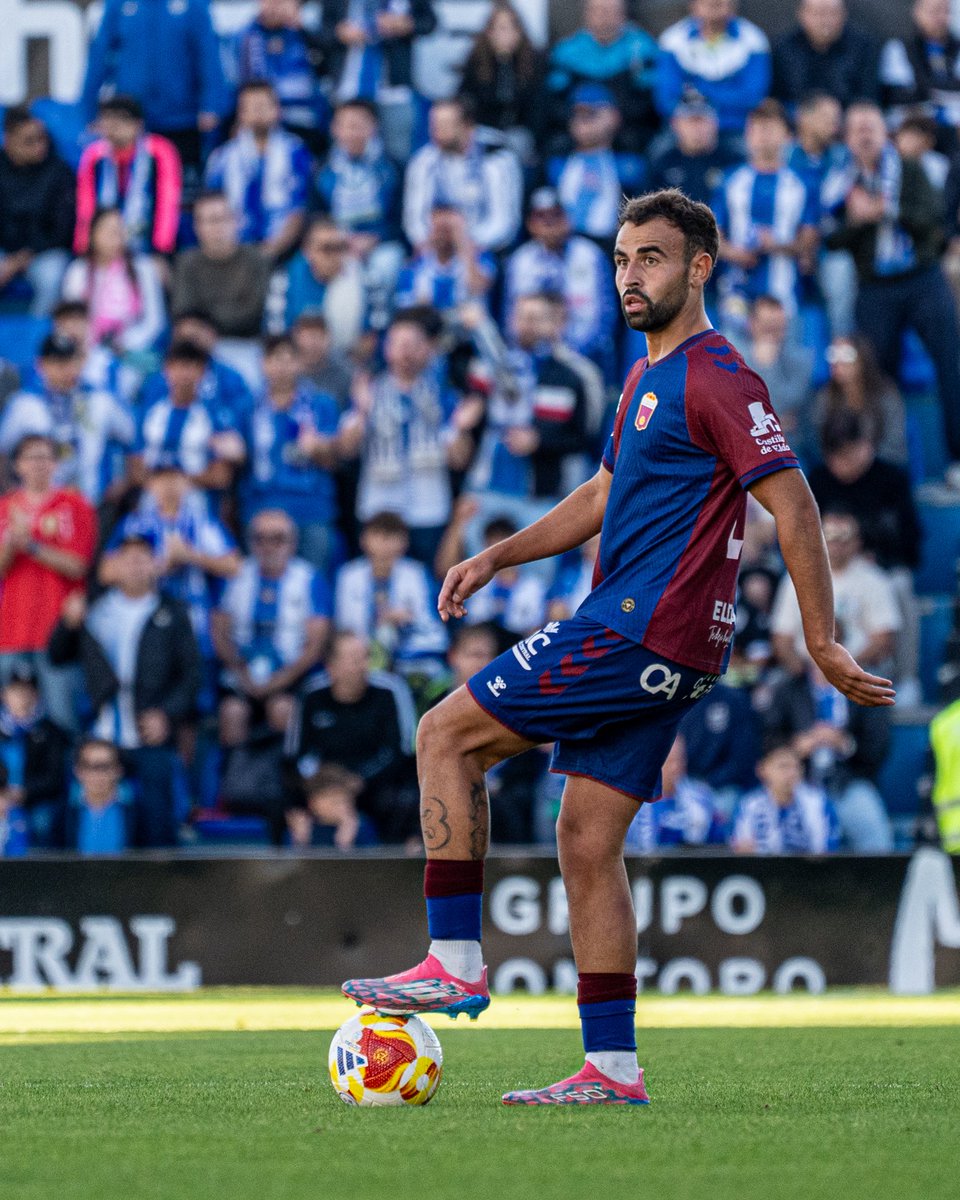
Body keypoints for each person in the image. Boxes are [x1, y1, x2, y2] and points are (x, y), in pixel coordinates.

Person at [341, 188, 893, 1105]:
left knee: (445, 736)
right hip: (665, 646)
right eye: (622, 259)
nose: (632, 276)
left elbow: (792, 502)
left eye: (652, 259)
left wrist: (822, 640)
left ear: (699, 267)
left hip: (637, 628)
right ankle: (612, 1065)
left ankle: (453, 959)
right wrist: (497, 555)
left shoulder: (718, 375)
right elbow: (604, 491)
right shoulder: (644, 378)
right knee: (587, 841)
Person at [822, 101, 960, 471]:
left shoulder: (910, 170)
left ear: (886, 134)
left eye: (872, 126)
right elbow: (832, 240)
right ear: (847, 138)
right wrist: (858, 220)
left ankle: (957, 460)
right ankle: (883, 459)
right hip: (876, 287)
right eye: (858, 128)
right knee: (874, 375)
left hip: (921, 279)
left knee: (953, 361)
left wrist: (889, 211)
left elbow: (933, 221)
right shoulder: (840, 182)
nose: (865, 134)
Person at [48, 531, 202, 847]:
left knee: (158, 819)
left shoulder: (172, 613)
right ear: (114, 565)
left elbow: (192, 675)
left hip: (148, 732)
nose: (134, 566)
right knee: (73, 813)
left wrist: (167, 715)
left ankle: (159, 888)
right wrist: (67, 623)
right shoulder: (96, 608)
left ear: (155, 565)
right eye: (127, 558)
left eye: (143, 558)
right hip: (103, 731)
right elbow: (57, 655)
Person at [342, 309, 477, 566]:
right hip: (378, 508)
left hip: (428, 509)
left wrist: (461, 429)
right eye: (398, 344)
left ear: (428, 348)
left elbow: (459, 460)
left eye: (413, 344)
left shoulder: (444, 395)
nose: (405, 352)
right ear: (386, 349)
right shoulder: (368, 390)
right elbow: (347, 450)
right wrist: (362, 412)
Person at [212, 507, 331, 756]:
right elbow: (219, 631)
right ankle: (235, 785)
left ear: (292, 543)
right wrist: (240, 672)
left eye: (277, 539)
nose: (269, 546)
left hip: (290, 675)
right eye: (261, 538)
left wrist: (280, 681)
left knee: (283, 710)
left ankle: (282, 784)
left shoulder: (309, 579)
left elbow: (315, 645)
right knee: (232, 712)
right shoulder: (235, 575)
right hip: (242, 672)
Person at [0, 433, 96, 732]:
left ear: (56, 464)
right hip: (10, 632)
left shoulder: (74, 505)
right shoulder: (5, 508)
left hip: (56, 632)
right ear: (17, 465)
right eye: (31, 457)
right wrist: (11, 544)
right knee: (7, 723)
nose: (39, 464)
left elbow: (78, 566)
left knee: (61, 722)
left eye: (46, 457)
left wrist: (32, 545)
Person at [284, 630, 417, 842]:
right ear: (331, 666)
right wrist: (319, 785)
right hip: (324, 782)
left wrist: (360, 780)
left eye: (366, 657)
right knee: (281, 799)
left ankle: (396, 864)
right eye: (354, 659)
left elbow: (402, 750)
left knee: (403, 799)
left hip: (375, 782)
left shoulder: (391, 690)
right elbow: (295, 753)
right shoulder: (311, 695)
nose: (363, 665)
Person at [80, 0, 229, 180]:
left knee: (179, 186)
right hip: (131, 121)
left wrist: (211, 105)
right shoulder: (118, 5)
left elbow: (208, 53)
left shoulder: (193, 4)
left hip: (181, 120)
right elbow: (99, 55)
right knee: (132, 187)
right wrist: (88, 110)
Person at [762, 658, 893, 851]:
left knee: (875, 833)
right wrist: (796, 747)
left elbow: (879, 747)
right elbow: (768, 738)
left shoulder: (863, 688)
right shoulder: (788, 688)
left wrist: (845, 744)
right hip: (798, 783)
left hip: (848, 783)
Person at [713, 99, 819, 332]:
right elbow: (714, 236)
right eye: (757, 128)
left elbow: (810, 241)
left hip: (784, 293)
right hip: (736, 291)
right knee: (735, 363)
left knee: (780, 365)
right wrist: (737, 253)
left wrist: (776, 245)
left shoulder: (802, 183)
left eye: (770, 128)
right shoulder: (730, 181)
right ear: (747, 135)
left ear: (787, 136)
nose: (763, 135)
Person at [239, 333, 342, 569]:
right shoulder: (249, 406)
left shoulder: (320, 404)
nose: (282, 367)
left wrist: (319, 447)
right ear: (262, 364)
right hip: (260, 507)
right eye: (274, 359)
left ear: (299, 363)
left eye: (288, 359)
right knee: (261, 583)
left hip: (311, 508)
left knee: (313, 580)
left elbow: (336, 460)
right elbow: (241, 459)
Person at [0, 335, 134, 505]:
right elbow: (3, 451)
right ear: (41, 365)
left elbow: (132, 439)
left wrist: (125, 482)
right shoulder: (24, 404)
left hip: (93, 503)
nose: (67, 369)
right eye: (58, 363)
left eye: (71, 361)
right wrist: (8, 491)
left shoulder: (100, 400)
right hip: (41, 507)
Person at [771, 509, 902, 681]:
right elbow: (782, 638)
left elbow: (884, 639)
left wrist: (843, 670)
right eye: (830, 536)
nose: (837, 544)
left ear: (857, 541)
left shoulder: (875, 579)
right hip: (806, 674)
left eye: (844, 537)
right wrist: (806, 671)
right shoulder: (796, 577)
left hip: (860, 673)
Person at [504, 188, 617, 380]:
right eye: (541, 217)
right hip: (530, 360)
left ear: (568, 218)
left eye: (556, 215)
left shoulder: (590, 256)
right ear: (530, 224)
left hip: (585, 357)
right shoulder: (520, 261)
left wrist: (569, 355)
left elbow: (605, 318)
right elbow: (509, 320)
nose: (549, 223)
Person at [171, 191, 272, 385]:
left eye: (222, 219)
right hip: (198, 347)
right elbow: (183, 312)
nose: (217, 227)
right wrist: (198, 329)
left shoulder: (258, 261)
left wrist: (206, 327)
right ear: (197, 227)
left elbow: (252, 313)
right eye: (209, 221)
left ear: (236, 221)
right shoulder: (187, 262)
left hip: (246, 346)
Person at [205, 81, 311, 262]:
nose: (258, 113)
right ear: (241, 114)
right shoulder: (222, 158)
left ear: (277, 110)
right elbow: (212, 209)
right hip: (233, 252)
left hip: (286, 250)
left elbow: (299, 209)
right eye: (251, 107)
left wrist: (271, 251)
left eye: (263, 106)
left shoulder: (295, 151)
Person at [402, 97, 523, 255]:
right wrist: (434, 244)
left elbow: (504, 223)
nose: (437, 133)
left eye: (445, 126)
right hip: (438, 248)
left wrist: (464, 244)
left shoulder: (496, 158)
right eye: (434, 125)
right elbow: (414, 219)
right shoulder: (424, 161)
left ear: (468, 126)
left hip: (486, 249)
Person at [320, 0, 437, 161]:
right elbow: (322, 30)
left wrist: (405, 23)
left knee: (398, 156)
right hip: (349, 90)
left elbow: (429, 22)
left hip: (393, 90)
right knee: (341, 157)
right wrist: (339, 33)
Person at [334, 510, 448, 675]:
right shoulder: (348, 575)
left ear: (405, 542)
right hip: (361, 654)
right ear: (363, 540)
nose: (385, 544)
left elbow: (432, 626)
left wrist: (407, 620)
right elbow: (343, 624)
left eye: (392, 537)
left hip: (410, 654)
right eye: (379, 536)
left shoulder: (417, 573)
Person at [74, 96, 182, 259]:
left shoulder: (160, 152)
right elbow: (86, 206)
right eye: (107, 119)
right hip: (102, 248)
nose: (112, 126)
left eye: (120, 119)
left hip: (147, 245)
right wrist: (83, 249)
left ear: (138, 124)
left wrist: (161, 252)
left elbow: (167, 204)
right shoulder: (94, 156)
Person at [546, 0, 659, 153]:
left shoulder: (641, 49)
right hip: (577, 130)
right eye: (598, 10)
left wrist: (611, 119)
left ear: (623, 15)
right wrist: (580, 120)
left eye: (610, 10)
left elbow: (648, 101)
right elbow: (553, 100)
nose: (604, 17)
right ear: (587, 14)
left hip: (626, 130)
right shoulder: (567, 52)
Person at [132, 340, 242, 495]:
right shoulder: (150, 411)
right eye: (178, 366)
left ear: (202, 372)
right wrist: (160, 486)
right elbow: (135, 464)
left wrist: (183, 482)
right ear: (166, 369)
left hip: (198, 505)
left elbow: (222, 476)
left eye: (191, 367)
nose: (184, 374)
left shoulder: (216, 417)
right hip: (152, 502)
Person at [61, 208, 167, 365]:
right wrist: (95, 344)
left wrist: (124, 343)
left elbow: (154, 321)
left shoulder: (143, 268)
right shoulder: (78, 270)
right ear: (92, 235)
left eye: (119, 232)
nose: (116, 239)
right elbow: (71, 319)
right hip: (88, 350)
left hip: (134, 350)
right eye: (109, 233)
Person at [545, 84, 647, 246]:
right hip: (563, 245)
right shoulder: (557, 164)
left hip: (611, 245)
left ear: (614, 116)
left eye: (592, 114)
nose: (583, 121)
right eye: (577, 114)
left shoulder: (629, 166)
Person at [656, 0, 771, 139]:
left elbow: (753, 97)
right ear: (692, 5)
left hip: (737, 129)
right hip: (685, 133)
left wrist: (699, 91)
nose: (714, 1)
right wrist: (696, 123)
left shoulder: (753, 40)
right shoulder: (672, 41)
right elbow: (666, 99)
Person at [0, 107, 75, 316]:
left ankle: (38, 341)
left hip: (44, 252)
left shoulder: (59, 172)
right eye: (29, 141)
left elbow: (62, 230)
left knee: (53, 277)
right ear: (8, 140)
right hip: (5, 251)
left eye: (42, 139)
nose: (39, 146)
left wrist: (21, 258)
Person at [234, 0, 329, 152]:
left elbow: (325, 69)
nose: (275, 6)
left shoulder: (304, 35)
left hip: (305, 123)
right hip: (262, 125)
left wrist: (302, 29)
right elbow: (238, 83)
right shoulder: (245, 37)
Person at [458, 3, 547, 162]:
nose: (505, 34)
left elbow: (538, 110)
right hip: (484, 132)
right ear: (489, 32)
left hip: (519, 135)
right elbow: (465, 100)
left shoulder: (534, 64)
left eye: (511, 28)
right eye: (500, 28)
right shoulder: (476, 63)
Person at [0, 666, 73, 846]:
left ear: (37, 694)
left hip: (34, 800)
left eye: (28, 690)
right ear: (4, 694)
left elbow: (53, 779)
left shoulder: (51, 731)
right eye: (17, 690)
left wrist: (24, 793)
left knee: (43, 822)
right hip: (2, 798)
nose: (23, 696)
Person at [812, 335, 908, 465]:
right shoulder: (825, 397)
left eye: (846, 354)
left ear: (862, 358)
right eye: (833, 354)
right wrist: (839, 461)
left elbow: (895, 442)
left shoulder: (885, 393)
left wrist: (865, 458)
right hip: (835, 472)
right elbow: (815, 441)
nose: (838, 362)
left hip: (879, 468)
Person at [729, 741, 840, 853]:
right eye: (783, 767)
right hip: (758, 868)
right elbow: (739, 846)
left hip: (809, 869)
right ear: (762, 769)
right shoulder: (749, 805)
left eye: (796, 767)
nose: (792, 773)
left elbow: (827, 851)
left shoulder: (818, 802)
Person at [272, 216, 368, 344]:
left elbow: (368, 342)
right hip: (296, 358)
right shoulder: (285, 279)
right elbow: (275, 336)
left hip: (347, 359)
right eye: (326, 248)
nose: (335, 256)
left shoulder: (364, 279)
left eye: (340, 248)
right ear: (307, 250)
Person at [772, 0, 880, 110]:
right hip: (797, 120)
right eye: (818, 13)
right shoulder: (783, 47)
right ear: (802, 14)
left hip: (847, 119)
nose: (825, 21)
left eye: (832, 13)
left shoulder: (863, 47)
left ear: (844, 14)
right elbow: (776, 98)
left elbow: (868, 98)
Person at [740, 295, 815, 454]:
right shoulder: (734, 360)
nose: (772, 333)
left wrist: (768, 365)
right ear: (751, 324)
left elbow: (786, 403)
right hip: (746, 447)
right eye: (767, 327)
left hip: (790, 448)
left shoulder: (802, 360)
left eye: (778, 327)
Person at [880, 0, 960, 148]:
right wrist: (941, 88)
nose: (939, 17)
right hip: (912, 125)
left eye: (945, 11)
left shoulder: (957, 48)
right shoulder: (898, 48)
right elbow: (898, 96)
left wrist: (923, 85)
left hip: (954, 125)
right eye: (933, 11)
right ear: (917, 12)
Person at [624, 734, 725, 850]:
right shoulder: (635, 805)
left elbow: (720, 847)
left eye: (680, 760)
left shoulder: (702, 800)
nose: (675, 767)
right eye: (670, 761)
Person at [395, 204, 495, 314]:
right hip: (430, 322)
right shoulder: (416, 262)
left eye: (448, 230)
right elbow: (406, 309)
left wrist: (463, 245)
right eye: (438, 229)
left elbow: (478, 287)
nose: (443, 236)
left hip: (465, 324)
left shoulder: (479, 256)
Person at [51, 737, 139, 854]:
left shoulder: (137, 813)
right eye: (89, 766)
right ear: (77, 771)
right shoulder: (63, 813)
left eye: (105, 766)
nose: (97, 774)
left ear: (118, 770)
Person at [648, 96, 739, 209]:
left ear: (715, 122)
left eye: (702, 121)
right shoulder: (663, 164)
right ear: (675, 124)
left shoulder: (734, 163)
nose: (697, 128)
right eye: (691, 121)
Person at [286, 762, 378, 849]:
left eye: (345, 801)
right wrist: (300, 840)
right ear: (313, 803)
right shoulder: (302, 827)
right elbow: (291, 863)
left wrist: (346, 840)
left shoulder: (362, 825)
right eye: (333, 801)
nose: (341, 806)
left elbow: (375, 860)